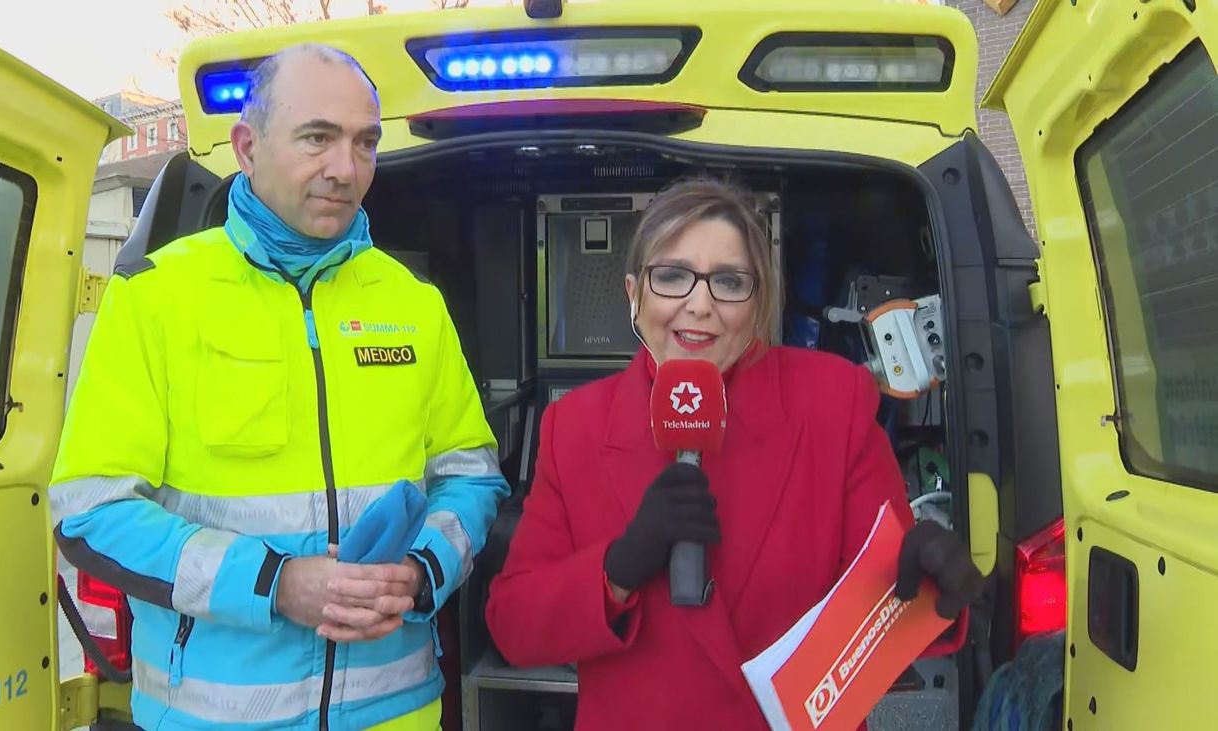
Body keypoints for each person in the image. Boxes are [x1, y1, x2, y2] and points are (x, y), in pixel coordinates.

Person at [49, 44, 509, 731]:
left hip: (397, 713)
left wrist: (422, 571)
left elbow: (471, 474)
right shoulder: (156, 296)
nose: (345, 169)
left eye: (365, 143)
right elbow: (90, 509)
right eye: (318, 138)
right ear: (247, 146)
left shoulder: (413, 302)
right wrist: (275, 583)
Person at [485, 179, 982, 730]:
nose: (699, 305)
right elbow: (515, 624)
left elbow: (888, 603)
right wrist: (616, 570)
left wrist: (931, 580)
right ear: (633, 294)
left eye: (728, 281)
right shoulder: (574, 427)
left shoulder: (831, 402)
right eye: (671, 276)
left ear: (760, 300)